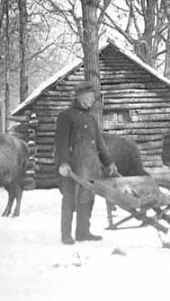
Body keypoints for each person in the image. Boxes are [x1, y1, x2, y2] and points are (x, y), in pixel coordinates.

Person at [54, 81, 118, 245]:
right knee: (69, 199)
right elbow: (61, 141)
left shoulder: (91, 118)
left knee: (87, 199)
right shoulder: (66, 116)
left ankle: (83, 232)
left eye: (93, 96)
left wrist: (109, 162)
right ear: (79, 96)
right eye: (90, 95)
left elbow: (100, 143)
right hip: (72, 168)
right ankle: (66, 234)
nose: (93, 99)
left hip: (90, 167)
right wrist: (62, 163)